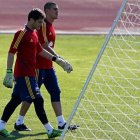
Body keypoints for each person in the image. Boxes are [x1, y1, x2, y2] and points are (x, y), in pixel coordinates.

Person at [0, 8, 72, 138]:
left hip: (30, 74)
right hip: (25, 75)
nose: (41, 25)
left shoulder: (33, 33)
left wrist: (58, 60)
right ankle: (49, 130)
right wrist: (9, 71)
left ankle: (1, 126)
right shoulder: (21, 33)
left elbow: (40, 51)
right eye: (39, 22)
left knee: (15, 100)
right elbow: (11, 52)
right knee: (38, 99)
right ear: (31, 20)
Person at [14, 2, 78, 132]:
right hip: (38, 67)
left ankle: (61, 123)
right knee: (32, 96)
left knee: (55, 92)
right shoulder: (42, 25)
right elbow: (43, 46)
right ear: (47, 11)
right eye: (55, 9)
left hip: (48, 66)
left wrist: (58, 60)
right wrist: (60, 60)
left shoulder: (51, 26)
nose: (57, 11)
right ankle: (19, 121)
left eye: (58, 9)